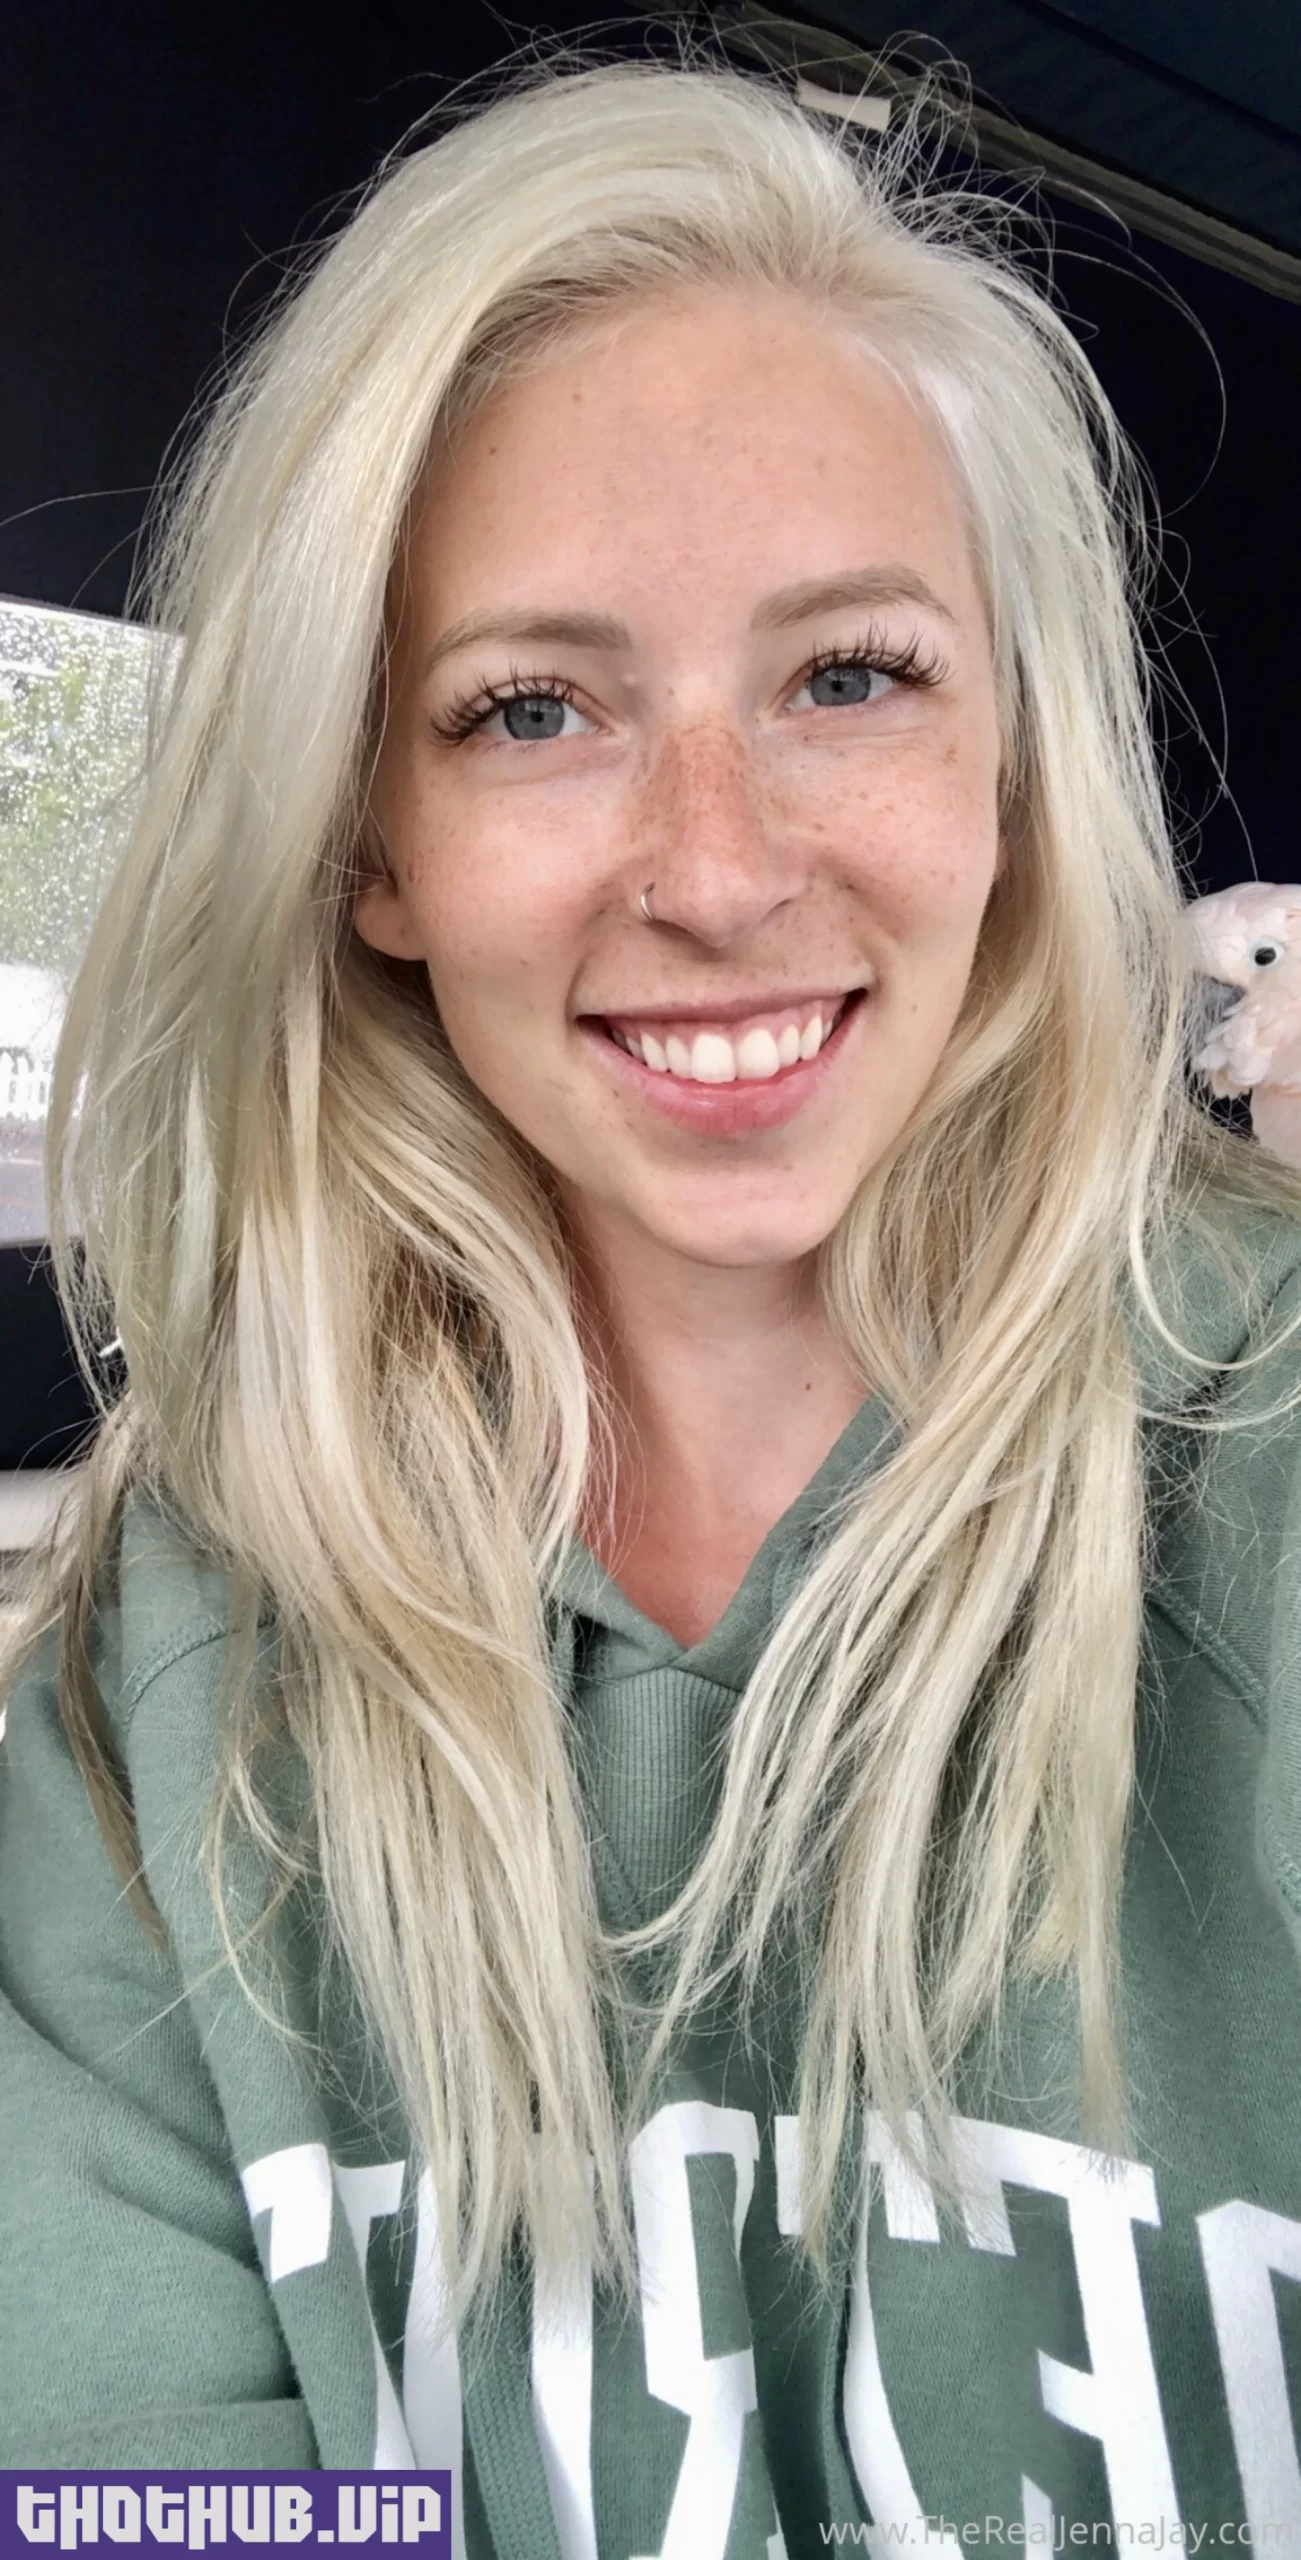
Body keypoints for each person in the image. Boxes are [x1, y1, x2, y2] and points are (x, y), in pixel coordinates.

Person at [2, 38, 1301, 2554]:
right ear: (369, 840)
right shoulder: (151, 1709)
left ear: (1011, 762)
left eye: (849, 674)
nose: (714, 871)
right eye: (532, 709)